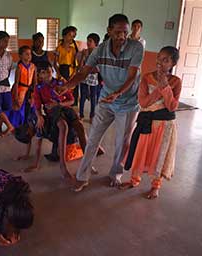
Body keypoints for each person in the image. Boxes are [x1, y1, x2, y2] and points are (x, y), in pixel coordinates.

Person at [59, 14, 144, 191]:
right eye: (118, 32)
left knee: (122, 142)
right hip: (106, 99)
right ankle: (82, 177)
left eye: (125, 32)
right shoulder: (100, 50)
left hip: (127, 103)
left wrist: (118, 93)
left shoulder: (136, 47)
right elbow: (84, 72)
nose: (122, 36)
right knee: (93, 139)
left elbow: (132, 76)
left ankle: (115, 174)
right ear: (109, 31)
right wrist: (68, 85)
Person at [120, 46, 181, 199]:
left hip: (165, 126)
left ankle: (156, 186)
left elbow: (172, 106)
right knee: (140, 152)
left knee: (159, 155)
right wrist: (159, 88)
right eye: (159, 58)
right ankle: (134, 180)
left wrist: (165, 86)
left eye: (165, 60)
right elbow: (144, 102)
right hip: (147, 123)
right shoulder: (147, 77)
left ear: (173, 63)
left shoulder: (176, 81)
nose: (160, 62)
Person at [33, 62, 86, 179]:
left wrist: (60, 103)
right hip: (53, 112)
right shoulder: (39, 88)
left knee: (80, 126)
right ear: (39, 75)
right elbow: (36, 106)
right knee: (63, 126)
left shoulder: (60, 83)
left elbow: (71, 100)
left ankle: (87, 162)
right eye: (43, 72)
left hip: (64, 108)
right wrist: (39, 116)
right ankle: (63, 166)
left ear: (52, 70)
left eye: (48, 70)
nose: (46, 74)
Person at [8, 45, 37, 128]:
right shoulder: (19, 67)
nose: (29, 56)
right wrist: (16, 96)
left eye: (30, 54)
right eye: (26, 54)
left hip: (29, 90)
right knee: (18, 107)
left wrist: (35, 93)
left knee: (31, 106)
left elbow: (35, 82)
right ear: (20, 56)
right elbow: (16, 82)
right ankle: (17, 125)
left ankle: (29, 124)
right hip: (20, 90)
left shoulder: (33, 67)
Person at [79, 33, 102, 122]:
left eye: (90, 41)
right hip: (84, 78)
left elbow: (97, 69)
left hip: (93, 80)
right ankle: (81, 114)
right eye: (87, 40)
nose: (88, 43)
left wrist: (87, 69)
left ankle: (92, 115)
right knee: (83, 96)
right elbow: (81, 67)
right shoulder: (84, 52)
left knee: (93, 97)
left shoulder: (98, 54)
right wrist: (83, 57)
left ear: (95, 43)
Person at [54, 26, 79, 106]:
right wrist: (60, 76)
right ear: (64, 36)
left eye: (73, 36)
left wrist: (72, 76)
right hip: (62, 71)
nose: (71, 38)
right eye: (69, 35)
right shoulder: (59, 48)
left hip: (71, 73)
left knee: (70, 94)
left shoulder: (73, 50)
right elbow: (55, 64)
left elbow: (76, 65)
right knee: (61, 93)